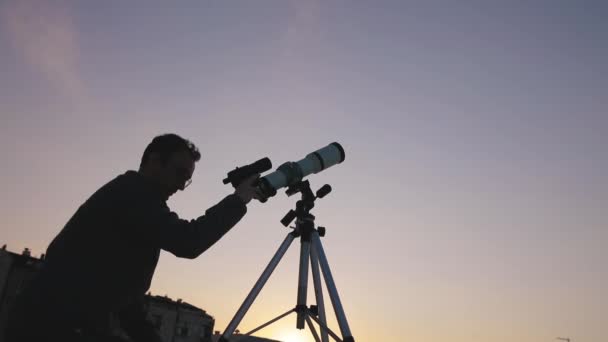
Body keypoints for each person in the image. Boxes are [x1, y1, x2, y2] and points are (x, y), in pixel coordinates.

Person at [6, 134, 260, 342]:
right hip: (51, 327)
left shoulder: (138, 203)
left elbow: (126, 301)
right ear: (153, 161)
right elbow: (188, 241)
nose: (182, 186)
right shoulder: (133, 195)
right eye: (179, 173)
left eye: (187, 179)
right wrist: (239, 200)